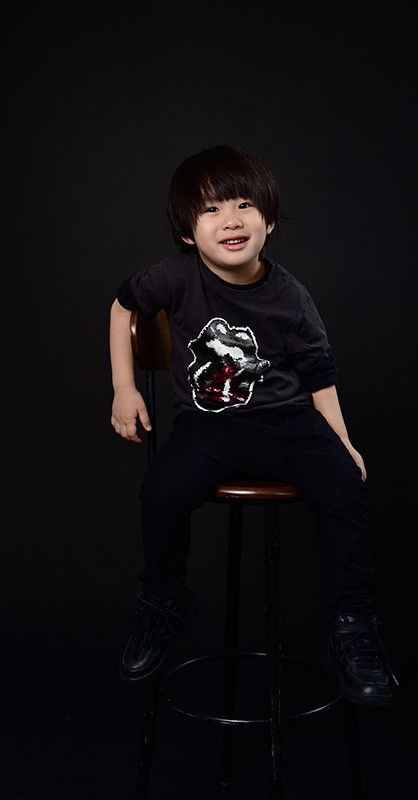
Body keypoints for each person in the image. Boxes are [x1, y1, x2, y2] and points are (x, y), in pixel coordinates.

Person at [109, 144, 397, 705]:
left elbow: (319, 373)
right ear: (188, 231)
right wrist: (124, 388)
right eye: (212, 209)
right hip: (207, 426)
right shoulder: (175, 276)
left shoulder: (290, 295)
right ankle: (164, 601)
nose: (231, 220)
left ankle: (353, 626)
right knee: (163, 489)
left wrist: (342, 441)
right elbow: (123, 307)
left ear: (268, 220)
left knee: (343, 486)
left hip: (287, 423)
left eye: (244, 205)